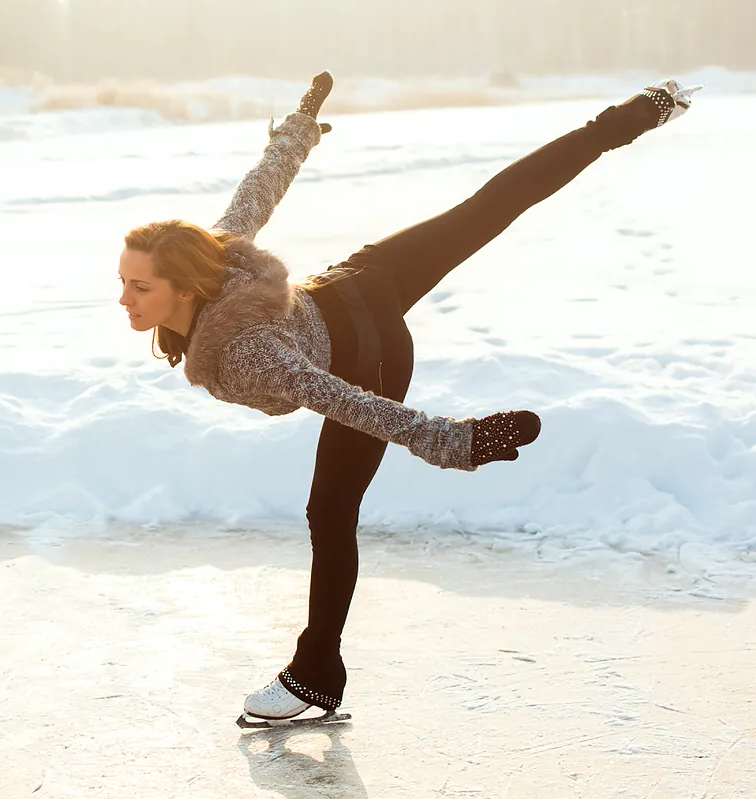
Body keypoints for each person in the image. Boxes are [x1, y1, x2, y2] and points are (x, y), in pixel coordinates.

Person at [116, 72, 702, 723]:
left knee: (329, 512)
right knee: (488, 208)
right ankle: (643, 111)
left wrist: (454, 441)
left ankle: (315, 675)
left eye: (139, 287)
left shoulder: (246, 351)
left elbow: (340, 398)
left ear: (181, 284)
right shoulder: (217, 255)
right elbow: (257, 190)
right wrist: (296, 132)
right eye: (124, 282)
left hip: (372, 357)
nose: (124, 299)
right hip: (362, 280)